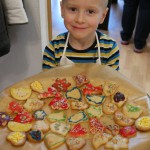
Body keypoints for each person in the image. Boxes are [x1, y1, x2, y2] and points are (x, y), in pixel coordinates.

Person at [43, 0, 119, 71]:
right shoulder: (53, 49)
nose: (80, 20)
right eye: (73, 9)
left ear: (103, 16)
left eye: (90, 11)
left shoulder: (110, 49)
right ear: (62, 10)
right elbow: (46, 82)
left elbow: (113, 83)